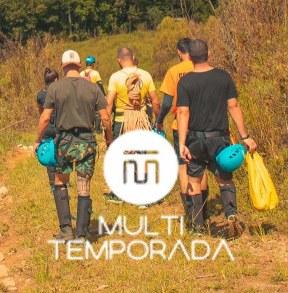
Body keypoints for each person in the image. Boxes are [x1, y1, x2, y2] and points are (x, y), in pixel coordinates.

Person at [176, 39, 257, 239]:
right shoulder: (223, 77)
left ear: (190, 58)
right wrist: (245, 137)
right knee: (225, 179)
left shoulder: (185, 82)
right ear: (209, 54)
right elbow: (234, 106)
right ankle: (230, 214)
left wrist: (182, 144)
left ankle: (197, 226)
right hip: (220, 138)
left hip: (196, 139)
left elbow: (183, 113)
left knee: (194, 181)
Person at [34, 50, 113, 242]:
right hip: (86, 141)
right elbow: (105, 118)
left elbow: (45, 117)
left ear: (63, 66)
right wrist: (109, 140)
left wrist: (37, 140)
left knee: (60, 182)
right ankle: (82, 231)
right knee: (83, 185)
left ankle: (66, 230)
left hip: (64, 142)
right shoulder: (92, 87)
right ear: (79, 66)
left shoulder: (54, 88)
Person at [103, 47, 159, 204]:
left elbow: (109, 103)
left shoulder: (116, 77)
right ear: (133, 58)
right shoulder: (145, 75)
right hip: (141, 120)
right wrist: (158, 121)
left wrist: (105, 123)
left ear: (119, 60)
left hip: (122, 120)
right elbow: (155, 101)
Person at [155, 38, 204, 208]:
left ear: (179, 52)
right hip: (202, 122)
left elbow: (167, 103)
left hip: (180, 123)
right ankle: (203, 207)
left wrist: (159, 120)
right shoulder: (201, 67)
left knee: (182, 165)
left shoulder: (174, 71)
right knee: (200, 162)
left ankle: (189, 208)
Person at [36, 68, 60, 190]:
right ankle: (63, 181)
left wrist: (38, 138)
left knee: (48, 154)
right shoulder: (61, 93)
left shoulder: (40, 95)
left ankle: (52, 185)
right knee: (61, 152)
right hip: (59, 126)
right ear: (56, 79)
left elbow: (42, 113)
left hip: (47, 128)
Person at [80, 55, 104, 132]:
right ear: (93, 64)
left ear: (86, 64)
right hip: (94, 96)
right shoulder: (95, 73)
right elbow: (99, 85)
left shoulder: (81, 74)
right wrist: (104, 95)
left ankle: (87, 128)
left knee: (86, 112)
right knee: (97, 113)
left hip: (83, 97)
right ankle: (97, 130)